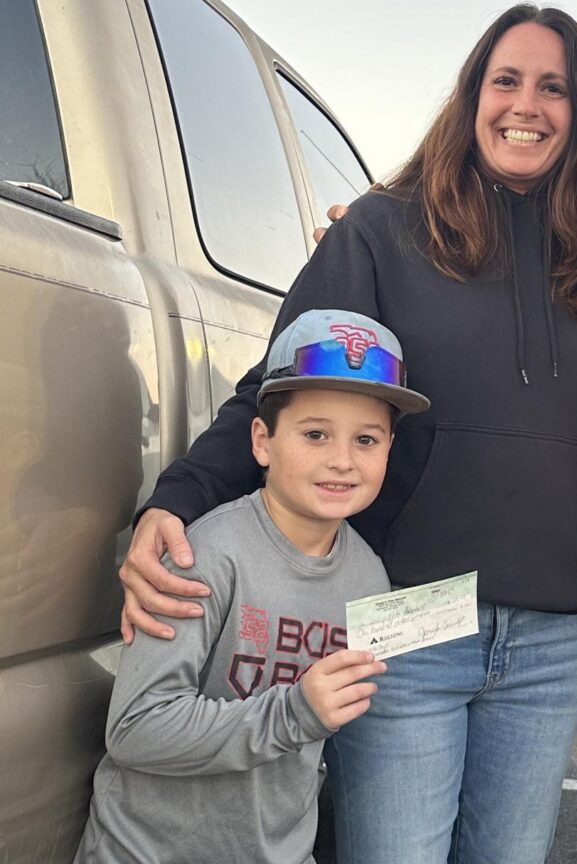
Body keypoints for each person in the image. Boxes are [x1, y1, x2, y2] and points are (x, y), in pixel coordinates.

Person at [117, 4, 577, 864]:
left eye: (553, 87)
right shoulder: (383, 231)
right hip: (410, 613)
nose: (526, 105)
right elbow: (276, 392)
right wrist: (177, 499)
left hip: (554, 636)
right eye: (506, 81)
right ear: (473, 95)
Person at [74, 308, 430, 864]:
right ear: (262, 441)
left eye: (367, 439)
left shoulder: (368, 577)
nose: (342, 460)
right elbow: (135, 728)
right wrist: (294, 713)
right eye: (315, 434)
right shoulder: (205, 555)